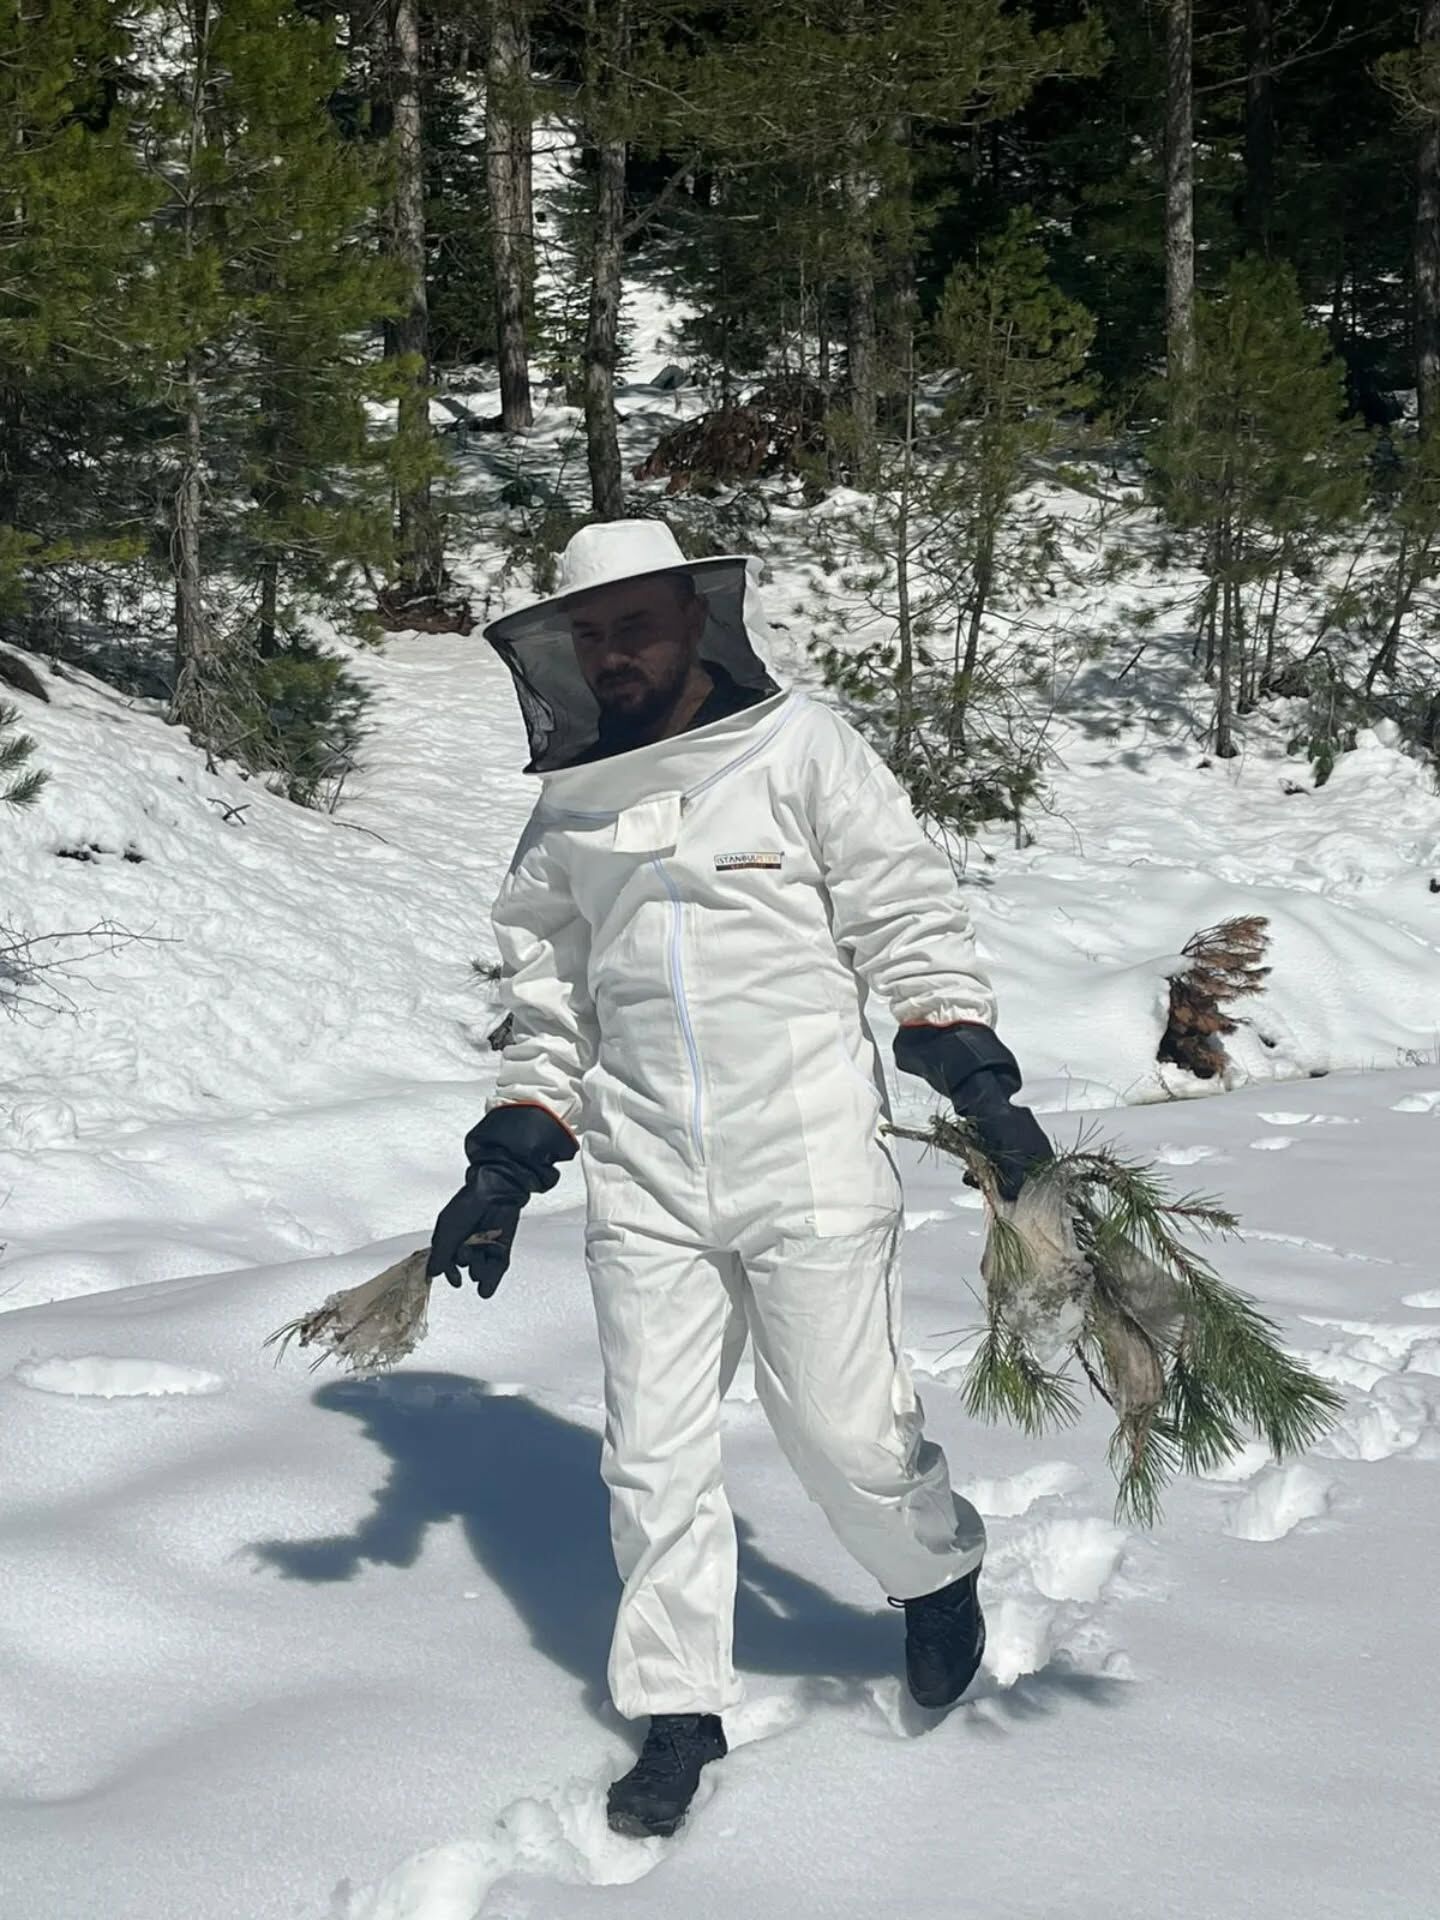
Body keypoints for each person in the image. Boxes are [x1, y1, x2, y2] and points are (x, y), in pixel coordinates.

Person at [428, 521, 1052, 1840]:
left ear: (692, 619)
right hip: (648, 1182)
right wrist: (507, 1161)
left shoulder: (800, 750)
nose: (611, 654)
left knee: (844, 1434)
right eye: (589, 636)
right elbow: (547, 999)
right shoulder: (571, 808)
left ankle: (933, 1573)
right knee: (652, 1461)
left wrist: (969, 1066)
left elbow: (902, 909)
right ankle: (676, 1710)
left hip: (810, 1157)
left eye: (633, 626)